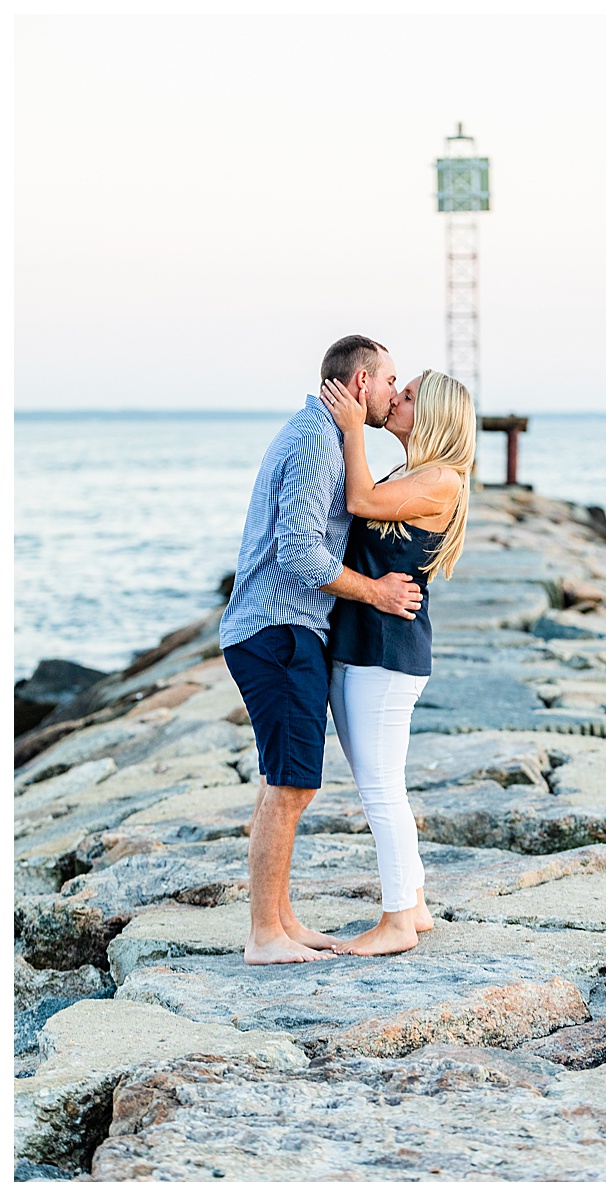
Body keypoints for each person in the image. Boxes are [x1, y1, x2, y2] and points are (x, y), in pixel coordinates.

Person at [220, 335, 422, 966]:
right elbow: (301, 554)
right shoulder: (315, 441)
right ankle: (264, 935)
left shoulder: (325, 436)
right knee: (291, 783)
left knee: (291, 779)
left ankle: (281, 920)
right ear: (361, 383)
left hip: (285, 627)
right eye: (390, 381)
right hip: (279, 627)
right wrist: (377, 593)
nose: (395, 392)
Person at [318, 369, 476, 956]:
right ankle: (415, 904)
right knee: (383, 787)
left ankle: (396, 924)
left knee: (381, 791)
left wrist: (352, 429)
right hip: (368, 645)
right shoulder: (415, 475)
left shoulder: (441, 481)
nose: (395, 399)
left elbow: (358, 501)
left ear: (432, 414)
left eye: (408, 396)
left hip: (385, 653)